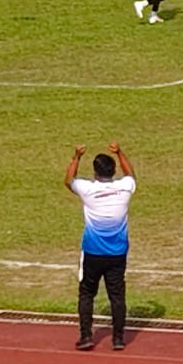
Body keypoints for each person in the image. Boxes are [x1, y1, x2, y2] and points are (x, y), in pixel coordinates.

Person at [66, 141, 136, 351]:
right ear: (114, 171)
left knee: (87, 292)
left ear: (95, 172)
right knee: (117, 295)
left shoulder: (88, 190)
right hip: (117, 252)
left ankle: (86, 336)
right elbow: (131, 174)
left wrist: (76, 157)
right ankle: (118, 338)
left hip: (93, 252)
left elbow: (69, 180)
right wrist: (121, 152)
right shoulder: (124, 188)